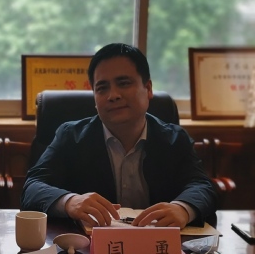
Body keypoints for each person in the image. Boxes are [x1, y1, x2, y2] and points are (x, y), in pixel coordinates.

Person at [21, 43, 217, 229]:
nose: (113, 95)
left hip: (159, 246)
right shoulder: (71, 137)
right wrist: (70, 201)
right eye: (102, 88)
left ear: (148, 89)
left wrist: (182, 209)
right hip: (89, 248)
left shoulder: (174, 139)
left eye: (124, 83)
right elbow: (33, 187)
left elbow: (202, 186)